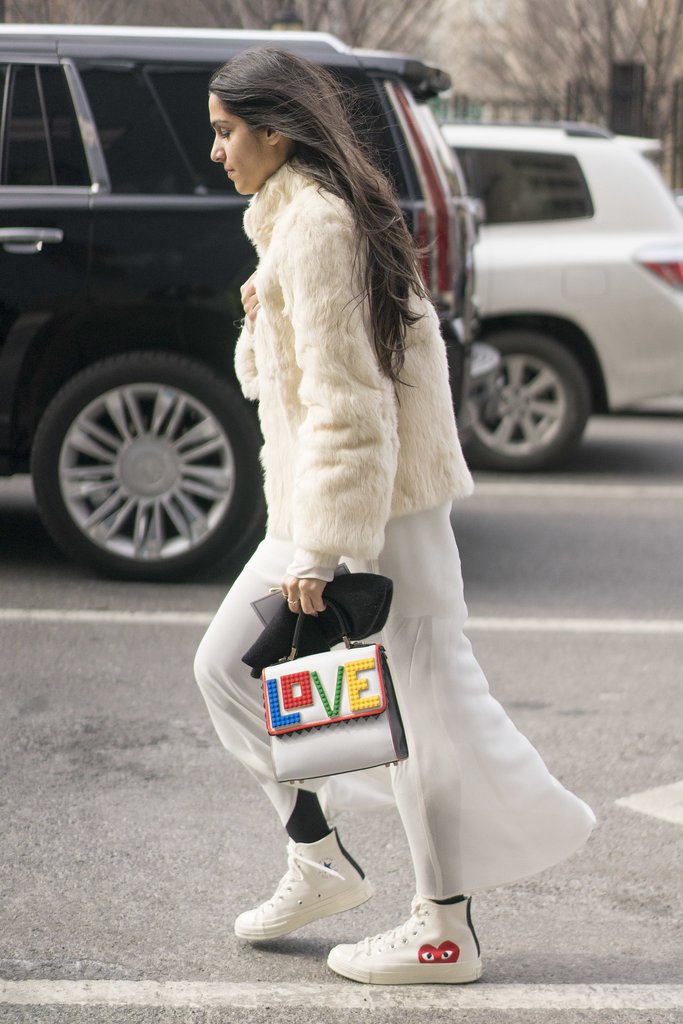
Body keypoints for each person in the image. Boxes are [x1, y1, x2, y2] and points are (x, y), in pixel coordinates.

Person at [194, 47, 595, 986]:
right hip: (327, 499)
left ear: (275, 132)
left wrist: (324, 548)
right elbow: (290, 386)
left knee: (419, 716)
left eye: (225, 131)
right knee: (228, 670)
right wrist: (260, 315)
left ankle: (442, 930)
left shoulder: (316, 226)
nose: (216, 151)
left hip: (374, 512)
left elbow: (352, 407)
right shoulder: (295, 220)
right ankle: (319, 856)